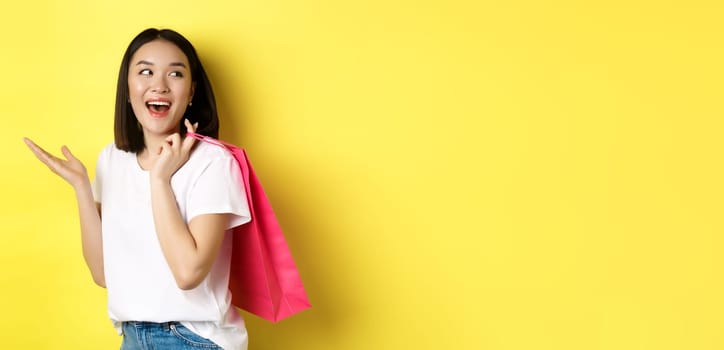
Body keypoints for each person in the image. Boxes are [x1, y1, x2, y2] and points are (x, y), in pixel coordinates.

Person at [24, 28, 251, 350]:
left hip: (195, 339)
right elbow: (103, 274)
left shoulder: (213, 162)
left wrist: (159, 179)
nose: (159, 84)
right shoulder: (111, 159)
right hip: (132, 337)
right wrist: (81, 188)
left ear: (191, 93)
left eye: (175, 73)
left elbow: (188, 273)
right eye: (145, 71)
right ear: (128, 90)